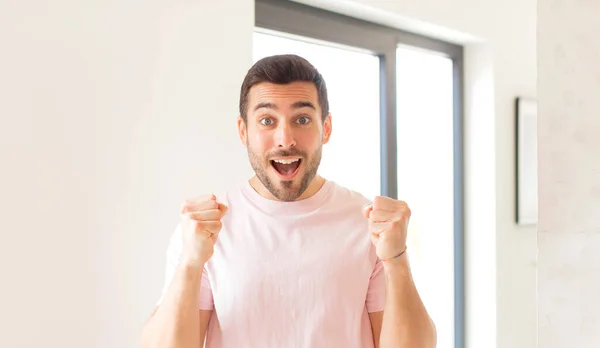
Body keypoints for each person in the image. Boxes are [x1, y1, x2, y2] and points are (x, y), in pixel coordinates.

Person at [140, 54, 436, 348]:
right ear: (244, 132)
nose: (285, 139)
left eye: (302, 119)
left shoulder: (368, 225)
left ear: (326, 128)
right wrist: (190, 264)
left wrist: (396, 260)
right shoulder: (205, 231)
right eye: (267, 121)